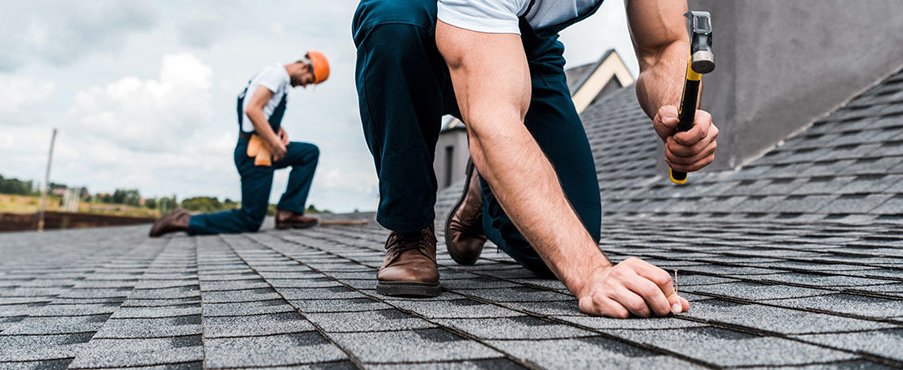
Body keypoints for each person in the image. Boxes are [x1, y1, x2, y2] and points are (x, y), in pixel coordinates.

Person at [353, 0, 718, 318]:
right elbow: (493, 123)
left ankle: (485, 192)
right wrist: (592, 273)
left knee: (565, 237)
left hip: (524, 41)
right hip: (417, 16)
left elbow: (663, 45)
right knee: (392, 23)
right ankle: (410, 228)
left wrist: (675, 113)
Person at [150, 51, 330, 237]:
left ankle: (288, 212)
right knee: (250, 219)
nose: (306, 85)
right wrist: (275, 142)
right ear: (304, 66)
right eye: (309, 80)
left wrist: (277, 129)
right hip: (254, 155)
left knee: (308, 153)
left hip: (264, 149)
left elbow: (260, 109)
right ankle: (186, 221)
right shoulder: (276, 76)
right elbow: (252, 110)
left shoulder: (277, 78)